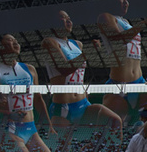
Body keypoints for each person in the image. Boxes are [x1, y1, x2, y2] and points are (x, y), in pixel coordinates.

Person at [0, 34, 61, 152]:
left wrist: (49, 124)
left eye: (16, 41)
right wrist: (2, 109)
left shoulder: (29, 69)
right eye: (10, 42)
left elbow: (38, 98)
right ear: (1, 49)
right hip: (10, 129)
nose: (15, 43)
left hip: (31, 129)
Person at [42, 10, 122, 138]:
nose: (69, 21)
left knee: (115, 120)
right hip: (64, 108)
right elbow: (65, 69)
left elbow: (79, 76)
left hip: (83, 104)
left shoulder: (77, 44)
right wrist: (90, 52)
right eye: (63, 18)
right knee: (63, 149)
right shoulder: (49, 42)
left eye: (69, 18)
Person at [95, 0, 147, 119]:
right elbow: (118, 38)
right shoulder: (105, 17)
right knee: (114, 129)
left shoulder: (126, 22)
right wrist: (143, 24)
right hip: (119, 85)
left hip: (139, 82)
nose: (126, 2)